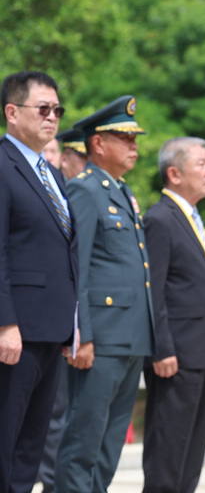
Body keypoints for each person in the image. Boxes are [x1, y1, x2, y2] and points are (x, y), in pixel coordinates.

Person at [55, 95, 157, 493]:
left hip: (130, 336)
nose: (134, 147)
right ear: (99, 144)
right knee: (83, 440)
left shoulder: (121, 191)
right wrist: (82, 335)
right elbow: (76, 268)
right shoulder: (86, 190)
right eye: (125, 139)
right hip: (100, 340)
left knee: (110, 444)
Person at [0, 71, 78, 493]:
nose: (52, 117)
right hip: (17, 331)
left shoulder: (52, 175)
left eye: (57, 110)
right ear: (12, 113)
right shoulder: (2, 165)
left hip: (53, 329)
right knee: (6, 438)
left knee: (32, 443)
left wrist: (75, 325)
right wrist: (4, 322)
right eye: (43, 109)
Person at [142, 136, 205, 493]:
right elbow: (153, 290)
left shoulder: (191, 217)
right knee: (169, 452)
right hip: (176, 354)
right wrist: (162, 349)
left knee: (192, 453)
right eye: (201, 165)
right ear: (174, 174)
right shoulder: (160, 219)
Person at [37, 127, 87, 492]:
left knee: (57, 414)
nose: (50, 158)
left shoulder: (65, 194)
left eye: (53, 151)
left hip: (62, 324)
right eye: (49, 151)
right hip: (28, 324)